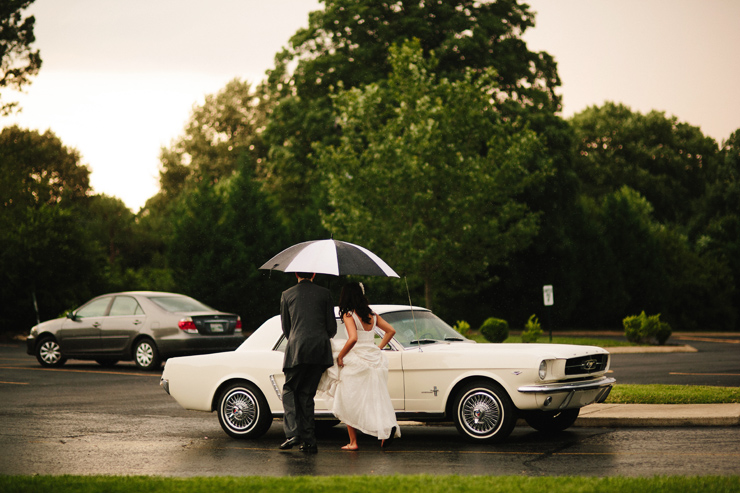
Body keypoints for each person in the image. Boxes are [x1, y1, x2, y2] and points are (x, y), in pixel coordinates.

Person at [319, 282, 400, 450]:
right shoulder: (372, 315)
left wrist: (341, 356)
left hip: (357, 360)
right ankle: (387, 428)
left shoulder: (349, 315)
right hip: (374, 360)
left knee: (348, 399)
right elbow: (391, 331)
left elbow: (353, 338)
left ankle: (353, 442)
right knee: (377, 399)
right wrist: (378, 348)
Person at [278, 272, 337, 454]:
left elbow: (286, 328)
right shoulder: (325, 293)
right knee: (306, 394)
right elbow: (332, 328)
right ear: (314, 274)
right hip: (319, 350)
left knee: (289, 389)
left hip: (297, 348)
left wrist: (298, 338)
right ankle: (310, 441)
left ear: (295, 274)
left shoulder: (287, 294)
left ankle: (292, 433)